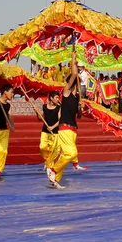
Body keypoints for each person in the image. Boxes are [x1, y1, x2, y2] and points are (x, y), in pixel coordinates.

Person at [47, 50, 82, 189]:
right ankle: (53, 170)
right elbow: (73, 74)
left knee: (65, 155)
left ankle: (54, 179)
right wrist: (73, 59)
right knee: (72, 154)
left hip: (73, 130)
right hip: (65, 128)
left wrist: (80, 107)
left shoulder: (75, 98)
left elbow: (79, 117)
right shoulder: (66, 92)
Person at [37, 91, 60, 168]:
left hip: (55, 131)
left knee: (54, 150)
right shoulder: (44, 106)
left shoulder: (59, 108)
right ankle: (48, 161)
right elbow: (40, 118)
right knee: (42, 147)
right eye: (56, 97)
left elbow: (60, 120)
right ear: (51, 98)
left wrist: (52, 127)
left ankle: (49, 164)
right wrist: (37, 112)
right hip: (45, 131)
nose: (58, 99)